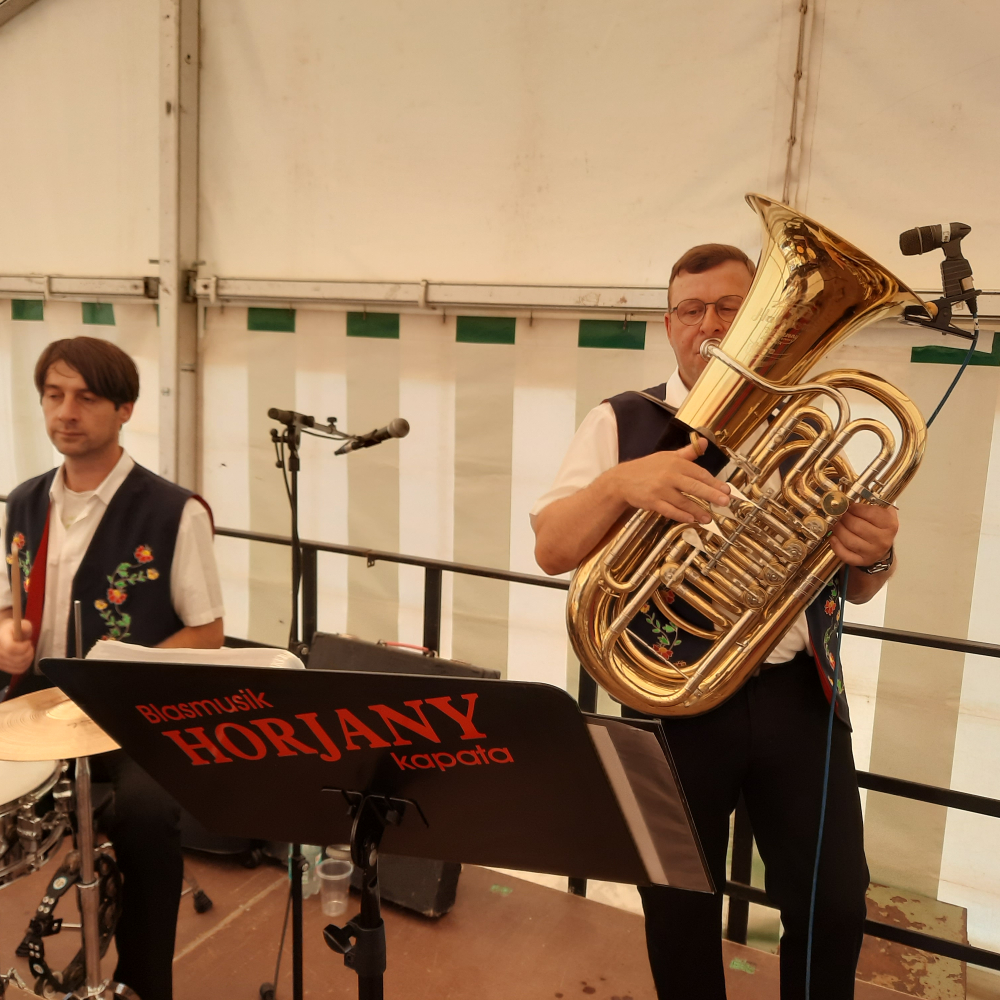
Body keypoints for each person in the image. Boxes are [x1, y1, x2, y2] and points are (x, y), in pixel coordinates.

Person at [532, 245, 898, 999]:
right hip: (667, 698)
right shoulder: (622, 420)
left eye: (731, 307)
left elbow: (857, 587)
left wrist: (877, 553)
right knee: (677, 907)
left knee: (833, 904)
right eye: (692, 310)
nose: (711, 324)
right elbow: (552, 549)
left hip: (799, 697)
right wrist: (620, 484)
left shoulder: (809, 422)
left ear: (764, 319)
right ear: (669, 325)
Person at [0, 337, 224, 1000]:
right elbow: (11, 604)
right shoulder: (24, 502)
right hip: (37, 697)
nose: (65, 412)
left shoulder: (174, 511)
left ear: (125, 409)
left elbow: (207, 635)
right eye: (53, 395)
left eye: (87, 398)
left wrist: (119, 669)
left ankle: (144, 983)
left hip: (131, 706)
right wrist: (8, 638)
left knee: (148, 815)